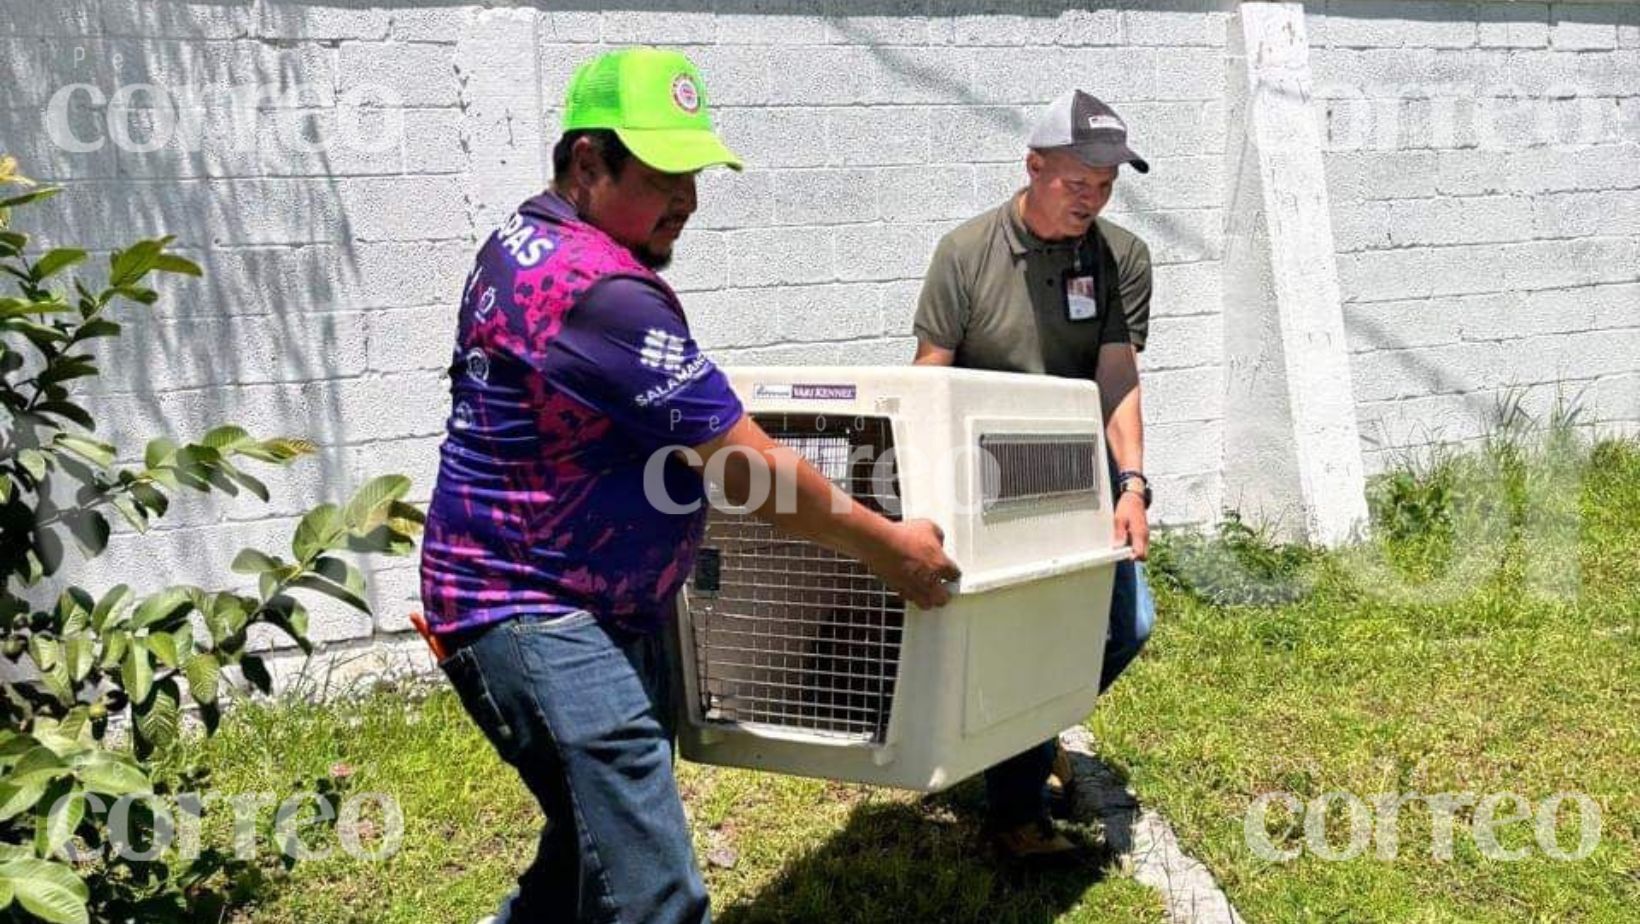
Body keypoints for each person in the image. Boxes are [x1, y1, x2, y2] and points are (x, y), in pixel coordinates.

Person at [420, 47, 960, 924]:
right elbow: (749, 470)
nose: (690, 200)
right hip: (532, 610)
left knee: (586, 850)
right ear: (590, 162)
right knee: (656, 894)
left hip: (554, 599)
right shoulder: (601, 290)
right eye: (667, 172)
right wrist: (892, 550)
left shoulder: (523, 237)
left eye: (696, 171)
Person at [911, 88, 1158, 861]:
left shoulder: (1121, 258)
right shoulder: (965, 254)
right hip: (982, 489)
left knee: (1126, 625)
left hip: (1078, 484)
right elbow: (926, 382)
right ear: (1034, 164)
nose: (1092, 198)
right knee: (1006, 641)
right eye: (1076, 181)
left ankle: (1027, 734)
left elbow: (1117, 377)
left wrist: (1133, 485)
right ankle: (1014, 816)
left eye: (1107, 184)